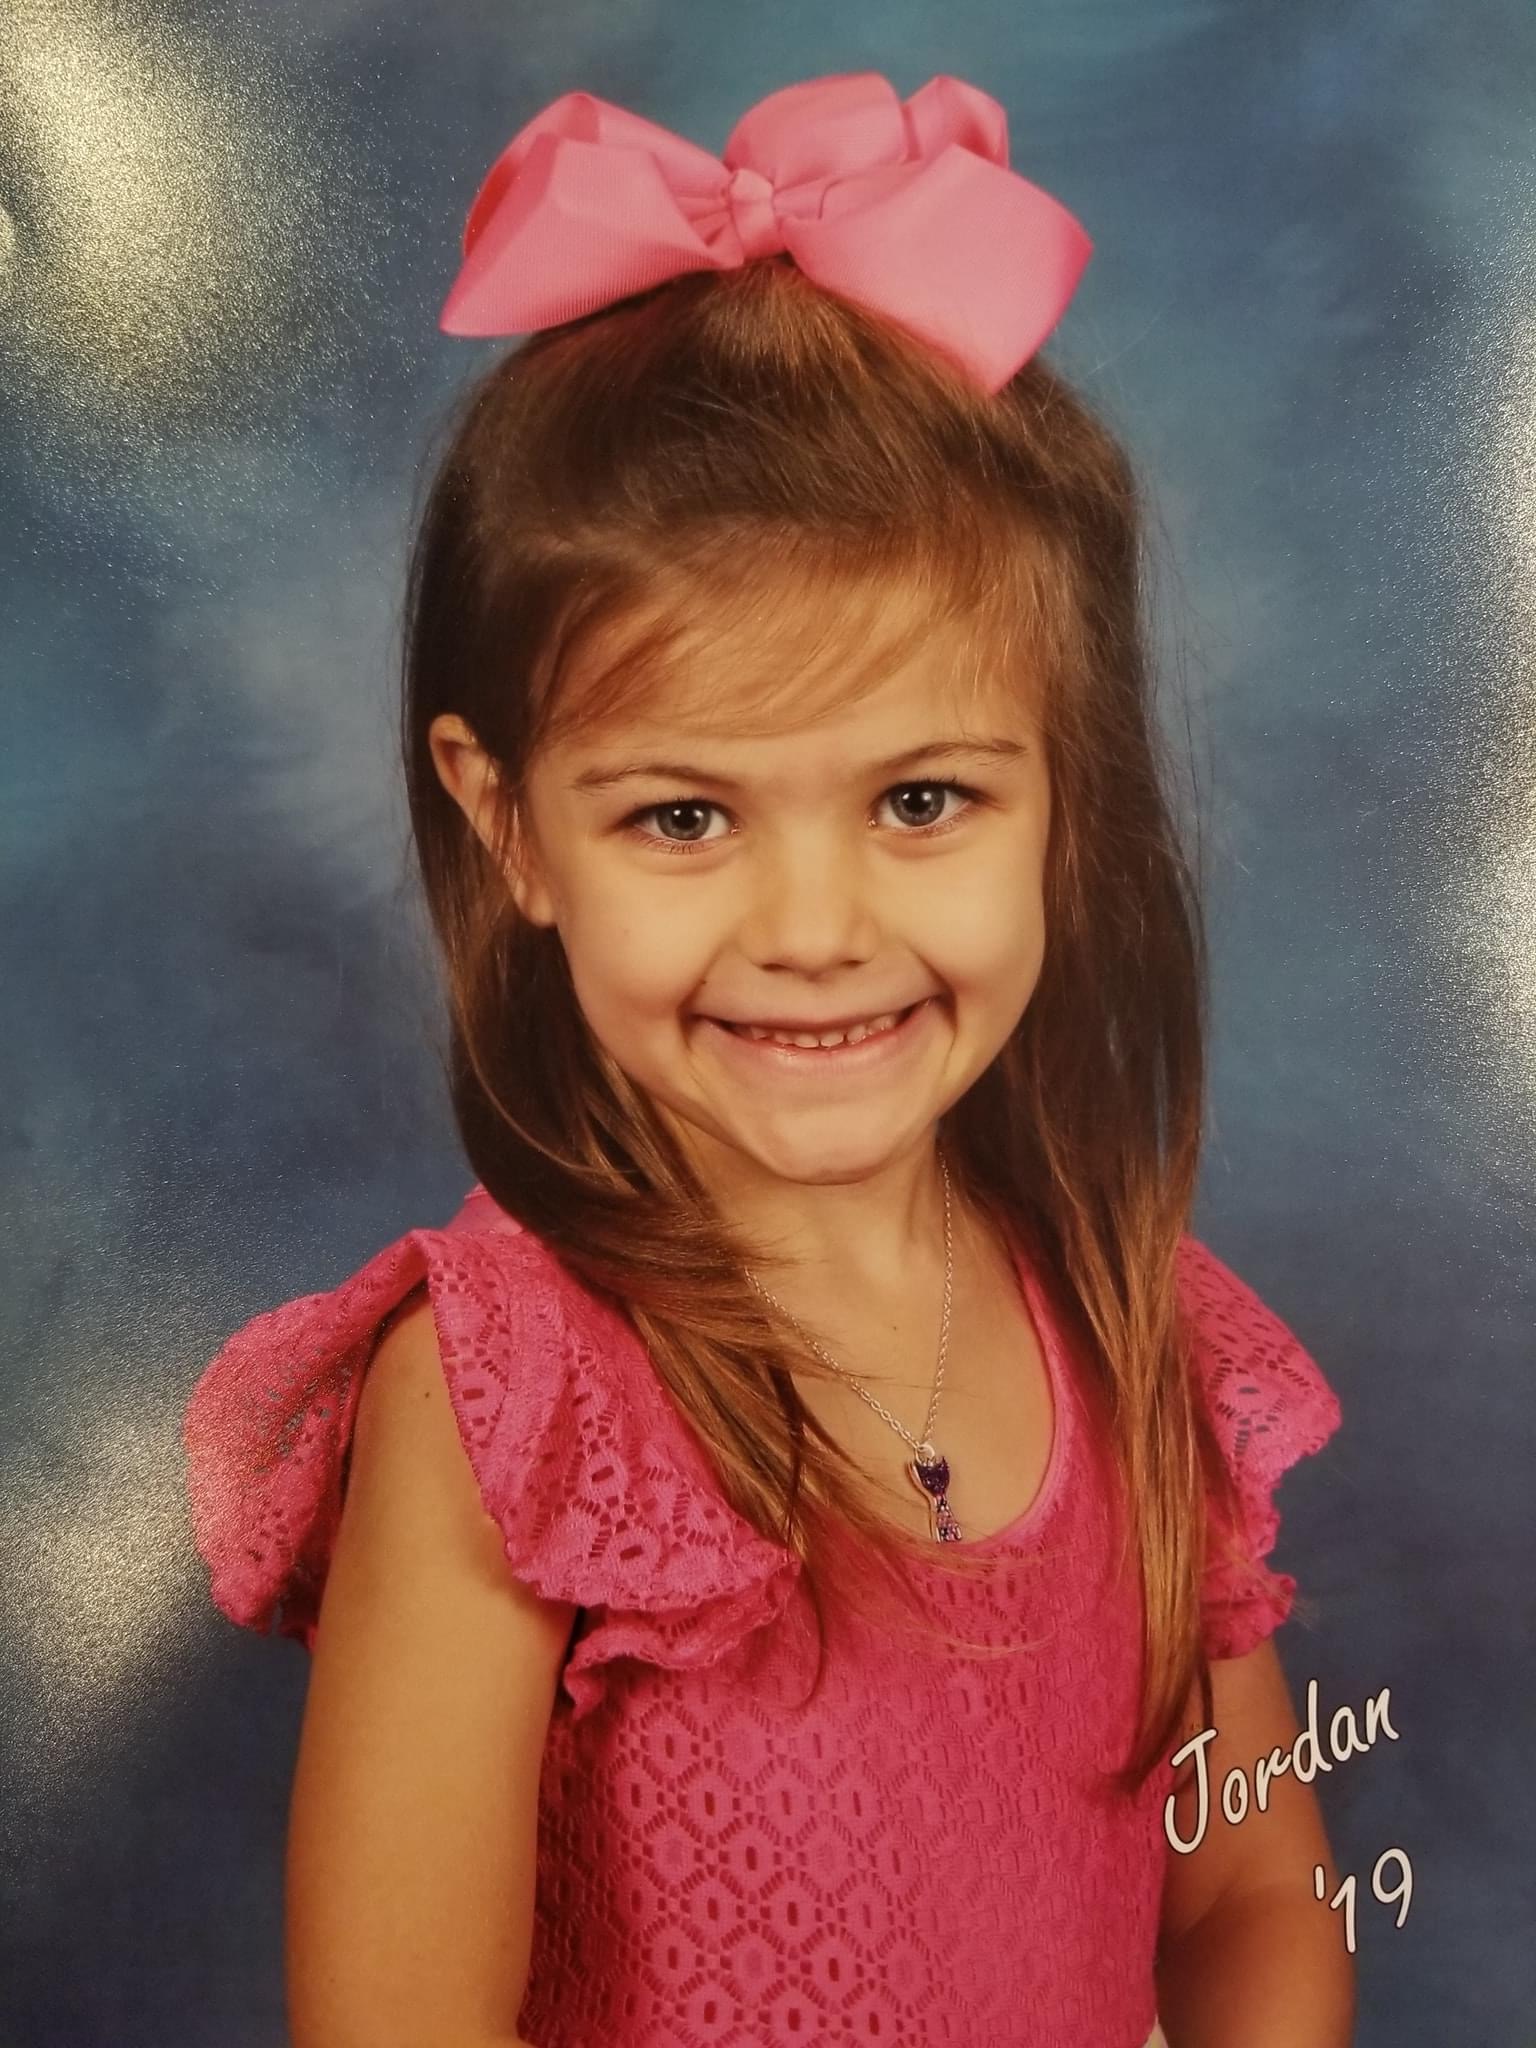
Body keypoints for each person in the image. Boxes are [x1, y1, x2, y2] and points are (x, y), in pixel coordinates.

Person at [181, 70, 1353, 2048]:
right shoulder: (506, 1405)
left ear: (1066, 800)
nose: (814, 927)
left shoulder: (1129, 1327)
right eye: (684, 816)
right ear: (511, 827)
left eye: (921, 799)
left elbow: (1244, 1883)